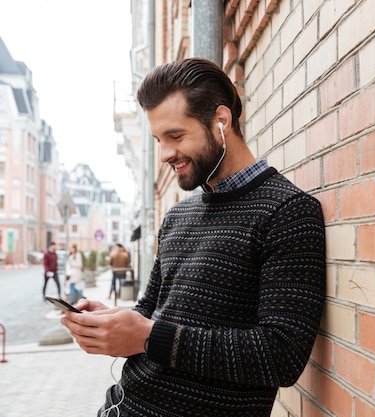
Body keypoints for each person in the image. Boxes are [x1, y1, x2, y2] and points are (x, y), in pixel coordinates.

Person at [61, 57, 326, 417]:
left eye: (175, 136)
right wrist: (113, 323)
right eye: (158, 139)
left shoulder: (287, 213)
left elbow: (281, 356)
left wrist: (147, 336)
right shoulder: (176, 217)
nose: (165, 154)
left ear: (221, 121)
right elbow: (151, 313)